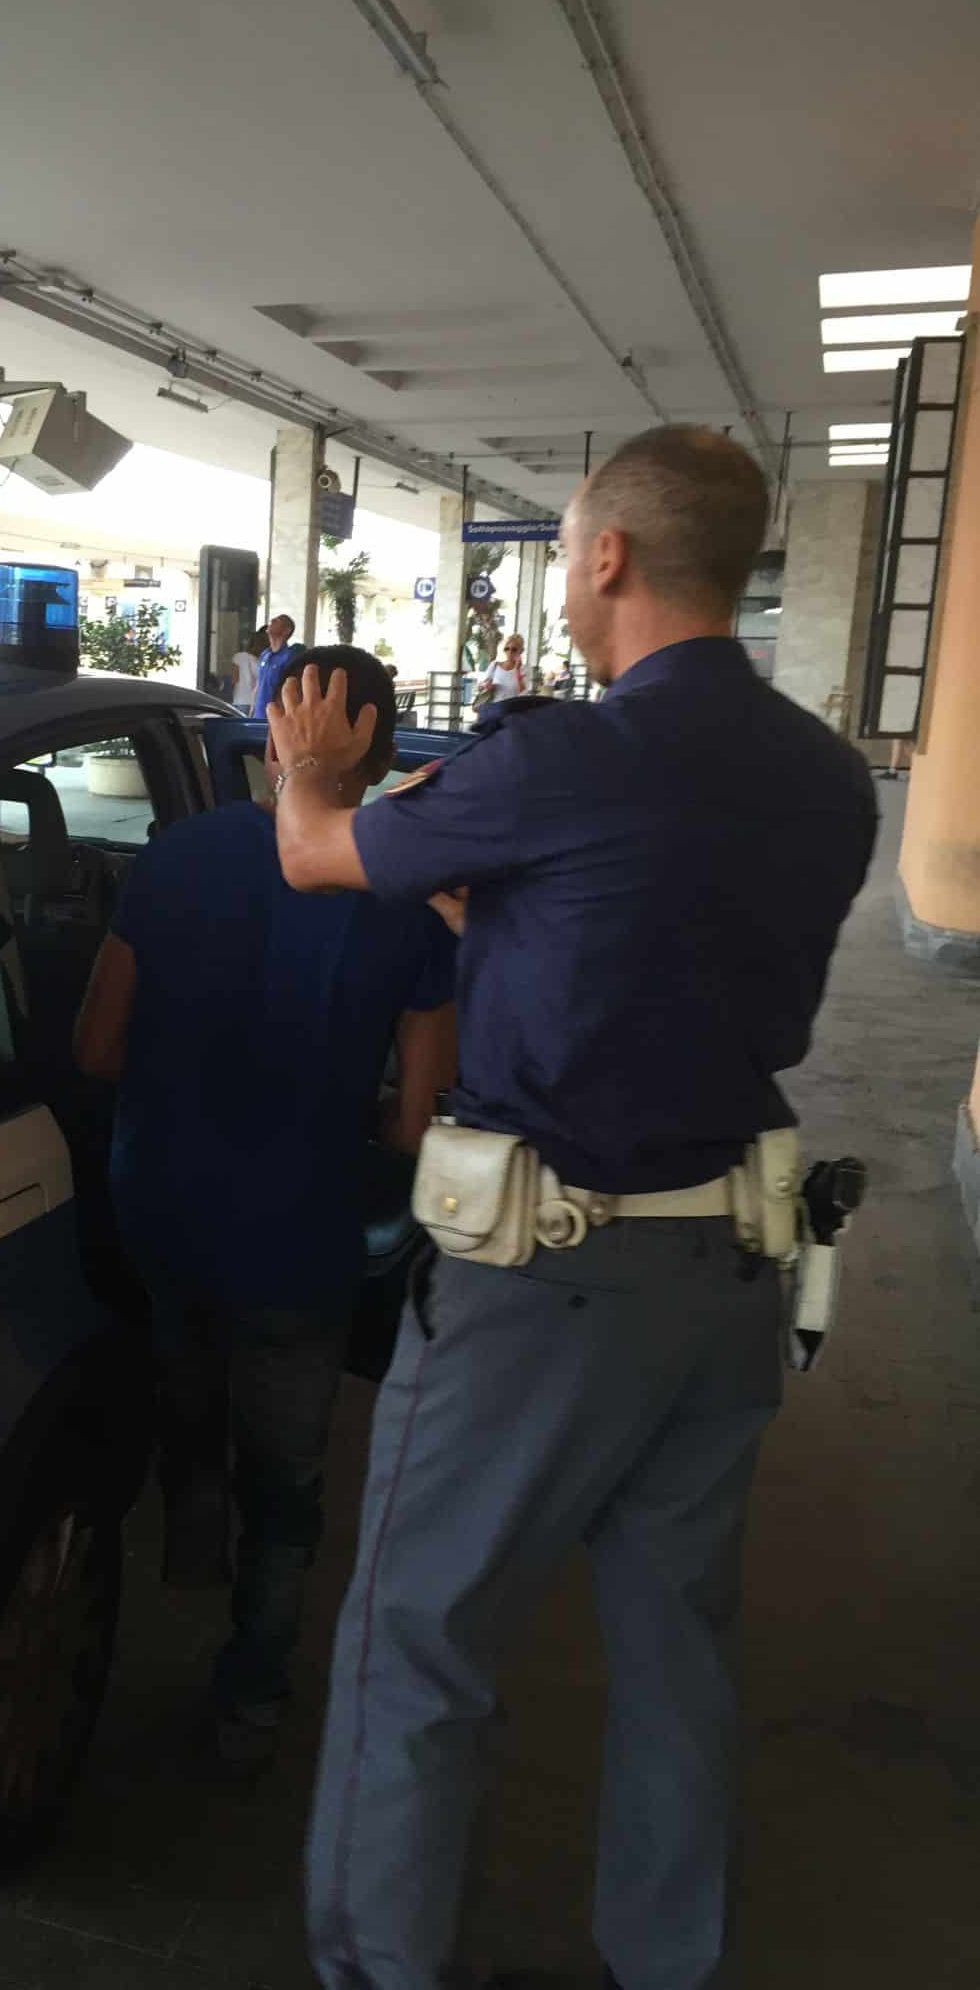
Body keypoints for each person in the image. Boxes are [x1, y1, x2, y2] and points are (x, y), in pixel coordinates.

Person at [267, 428, 877, 1990]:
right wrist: (514, 908)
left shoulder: (564, 759)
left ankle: (376, 1966)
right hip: (732, 1266)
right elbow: (660, 941)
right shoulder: (824, 774)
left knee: (419, 1645)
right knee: (681, 1655)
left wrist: (312, 767)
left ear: (604, 555)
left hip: (544, 1284)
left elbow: (317, 855)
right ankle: (667, 1962)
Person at [74, 646, 455, 1764]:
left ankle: (193, 1521)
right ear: (382, 753)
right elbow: (419, 1125)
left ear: (268, 738)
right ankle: (252, 1691)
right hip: (302, 1233)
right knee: (288, 1477)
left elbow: (95, 1047)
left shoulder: (172, 856)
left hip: (164, 1204)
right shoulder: (408, 901)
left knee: (185, 1364)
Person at [251, 613, 303, 716]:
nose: (272, 620)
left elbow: (292, 689)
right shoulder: (265, 654)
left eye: (278, 621)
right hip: (258, 715)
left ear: (286, 631)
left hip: (277, 717)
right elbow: (258, 684)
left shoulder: (289, 657)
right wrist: (251, 710)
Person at [472, 632, 525, 716]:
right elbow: (482, 684)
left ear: (521, 651)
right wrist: (486, 685)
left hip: (513, 712)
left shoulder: (524, 669)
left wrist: (517, 670)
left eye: (514, 649)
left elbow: (522, 692)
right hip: (495, 710)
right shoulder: (495, 665)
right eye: (507, 649)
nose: (510, 652)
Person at [230, 627, 268, 713]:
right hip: (256, 701)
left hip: (240, 699)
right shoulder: (263, 660)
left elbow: (234, 680)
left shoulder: (238, 656)